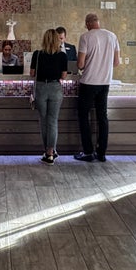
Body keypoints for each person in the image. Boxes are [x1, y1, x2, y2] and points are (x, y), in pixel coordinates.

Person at [75, 12, 120, 162]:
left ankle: (88, 152)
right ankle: (101, 153)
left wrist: (85, 63)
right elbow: (116, 62)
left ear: (88, 23)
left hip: (88, 82)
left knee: (83, 116)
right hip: (105, 82)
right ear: (98, 22)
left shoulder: (85, 37)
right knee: (103, 118)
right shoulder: (112, 36)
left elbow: (80, 64)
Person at [30, 28, 69, 164]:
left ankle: (49, 152)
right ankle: (51, 152)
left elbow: (32, 73)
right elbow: (63, 76)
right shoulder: (62, 55)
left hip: (41, 88)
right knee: (53, 121)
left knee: (44, 121)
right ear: (56, 39)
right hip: (55, 89)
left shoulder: (37, 54)